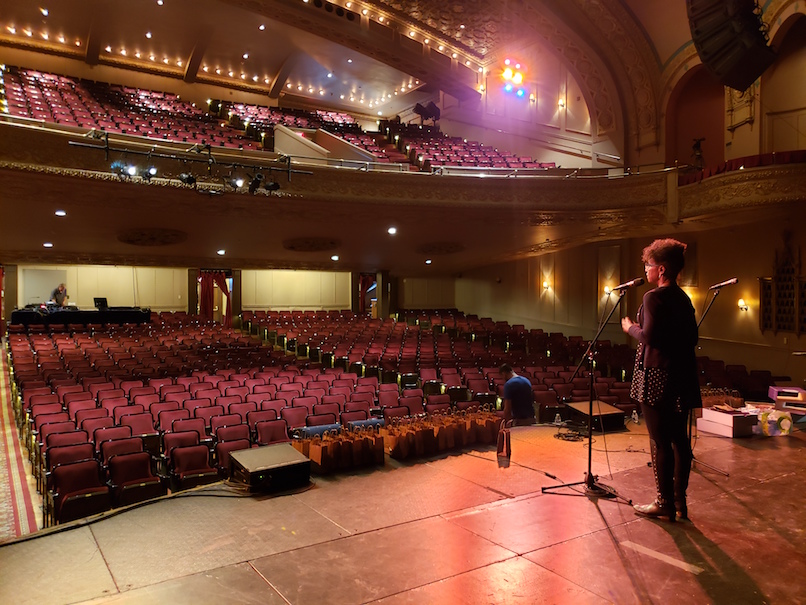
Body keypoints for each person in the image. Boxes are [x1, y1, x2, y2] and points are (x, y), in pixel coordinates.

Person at [621, 238, 701, 521]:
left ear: (662, 269)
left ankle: (663, 501)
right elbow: (693, 338)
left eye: (649, 265)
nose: (646, 269)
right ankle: (680, 502)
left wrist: (631, 328)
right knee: (680, 440)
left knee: (660, 442)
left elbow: (650, 337)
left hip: (656, 375)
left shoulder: (653, 297)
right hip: (681, 374)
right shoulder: (684, 298)